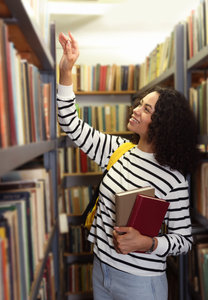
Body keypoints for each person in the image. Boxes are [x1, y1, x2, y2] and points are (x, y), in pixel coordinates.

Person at [57, 31, 199, 299]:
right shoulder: (117, 150)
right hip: (101, 270)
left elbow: (184, 240)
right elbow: (70, 124)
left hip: (140, 284)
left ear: (163, 125)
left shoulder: (174, 179)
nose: (136, 109)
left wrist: (148, 242)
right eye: (140, 104)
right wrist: (66, 71)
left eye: (146, 109)